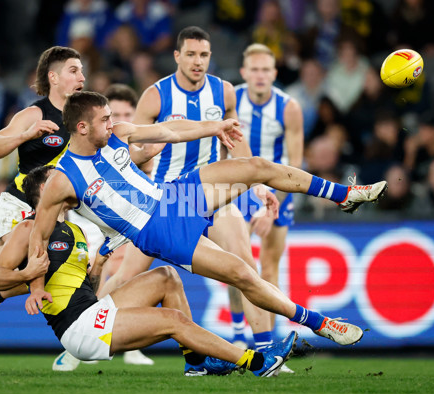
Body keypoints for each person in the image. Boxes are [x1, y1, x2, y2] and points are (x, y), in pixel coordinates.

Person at [28, 91, 387, 359]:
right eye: (105, 119)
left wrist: (213, 127)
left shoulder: (118, 134)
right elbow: (38, 237)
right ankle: (322, 324)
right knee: (242, 274)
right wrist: (35, 287)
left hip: (172, 195)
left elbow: (167, 131)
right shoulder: (62, 179)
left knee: (256, 166)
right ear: (82, 127)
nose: (113, 122)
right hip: (157, 230)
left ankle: (345, 195)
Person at [0, 164, 299, 377]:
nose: (68, 192)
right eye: (59, 188)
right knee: (174, 319)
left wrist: (97, 264)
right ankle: (254, 362)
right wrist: (29, 279)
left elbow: (82, 285)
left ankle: (196, 366)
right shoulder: (27, 230)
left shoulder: (73, 228)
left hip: (90, 309)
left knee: (167, 278)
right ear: (44, 195)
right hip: (78, 329)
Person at [99, 26, 276, 354]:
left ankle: (266, 350)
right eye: (191, 54)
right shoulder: (156, 95)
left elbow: (239, 146)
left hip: (214, 195)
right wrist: (143, 157)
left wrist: (259, 186)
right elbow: (131, 150)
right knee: (126, 276)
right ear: (177, 56)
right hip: (167, 200)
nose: (198, 61)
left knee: (245, 264)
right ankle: (83, 324)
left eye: (204, 55)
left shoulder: (224, 93)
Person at [0, 46, 84, 347]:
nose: (82, 77)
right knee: (14, 271)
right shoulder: (35, 112)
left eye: (82, 71)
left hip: (49, 212)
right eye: (74, 70)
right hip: (17, 205)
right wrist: (26, 135)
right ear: (53, 77)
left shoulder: (81, 120)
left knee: (1, 280)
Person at [54, 83, 155, 369]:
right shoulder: (103, 146)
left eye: (125, 113)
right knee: (123, 276)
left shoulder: (134, 138)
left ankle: (126, 344)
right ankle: (88, 333)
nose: (117, 120)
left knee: (136, 275)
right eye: (114, 114)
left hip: (142, 216)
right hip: (103, 222)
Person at [230, 44, 303, 354]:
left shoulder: (289, 108)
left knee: (269, 268)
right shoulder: (231, 99)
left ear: (274, 74)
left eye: (265, 70)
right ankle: (236, 334)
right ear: (245, 73)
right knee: (235, 265)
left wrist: (271, 203)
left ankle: (268, 345)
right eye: (254, 70)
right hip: (238, 190)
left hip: (278, 193)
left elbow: (294, 167)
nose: (260, 76)